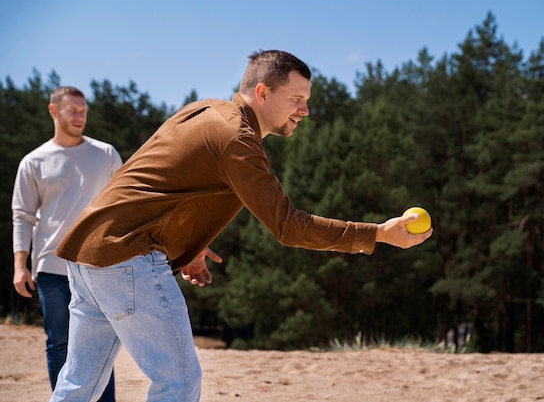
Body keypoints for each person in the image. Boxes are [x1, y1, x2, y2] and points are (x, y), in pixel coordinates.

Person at [50, 50, 433, 402]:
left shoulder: (203, 111)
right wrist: (379, 233)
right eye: (296, 99)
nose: (305, 110)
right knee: (178, 381)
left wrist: (188, 244)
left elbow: (158, 184)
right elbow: (288, 226)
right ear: (263, 92)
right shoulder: (238, 139)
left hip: (88, 253)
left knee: (79, 382)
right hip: (126, 257)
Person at [12, 86, 121, 401]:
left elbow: (123, 203)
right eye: (73, 110)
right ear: (53, 111)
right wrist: (20, 266)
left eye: (83, 111)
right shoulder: (34, 161)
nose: (80, 116)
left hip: (98, 265)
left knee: (98, 341)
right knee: (59, 341)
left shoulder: (105, 154)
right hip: (52, 265)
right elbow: (23, 216)